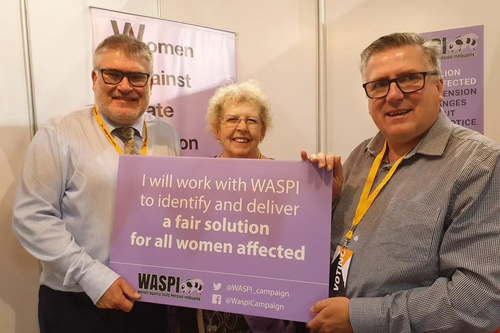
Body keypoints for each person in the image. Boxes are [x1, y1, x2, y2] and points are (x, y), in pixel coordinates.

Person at [303, 32, 500, 333]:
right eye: (379, 85)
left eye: (409, 78)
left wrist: (360, 317)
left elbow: (479, 299)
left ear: (439, 86)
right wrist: (326, 203)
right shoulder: (361, 155)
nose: (393, 95)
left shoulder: (480, 164)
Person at [12, 34, 181, 333]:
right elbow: (32, 218)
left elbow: (180, 208)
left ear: (151, 84)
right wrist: (94, 279)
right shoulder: (59, 133)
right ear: (94, 78)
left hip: (150, 300)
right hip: (79, 303)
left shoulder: (166, 135)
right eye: (113, 74)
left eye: (137, 77)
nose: (125, 86)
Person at [176, 80, 299, 333]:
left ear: (263, 131)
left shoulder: (288, 183)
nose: (242, 127)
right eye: (232, 120)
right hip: (210, 302)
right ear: (216, 130)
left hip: (268, 307)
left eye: (252, 121)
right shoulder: (195, 180)